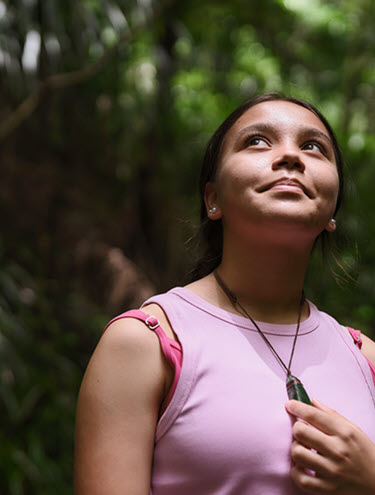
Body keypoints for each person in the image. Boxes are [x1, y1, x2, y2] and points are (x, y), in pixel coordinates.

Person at [74, 93, 375, 495]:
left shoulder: (365, 359)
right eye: (257, 141)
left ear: (333, 209)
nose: (291, 156)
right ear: (213, 198)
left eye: (312, 147)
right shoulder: (146, 345)